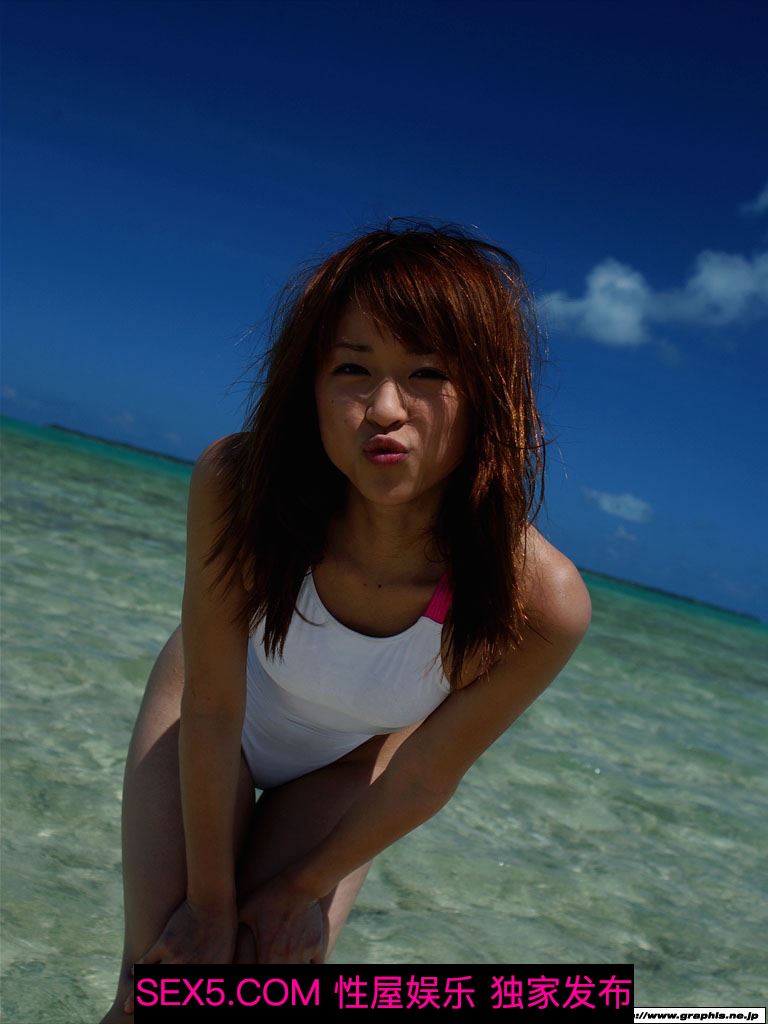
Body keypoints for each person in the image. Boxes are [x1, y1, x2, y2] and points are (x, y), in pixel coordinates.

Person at [100, 219, 592, 1022]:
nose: (384, 409)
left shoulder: (538, 600)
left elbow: (424, 777)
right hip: (208, 718)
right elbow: (216, 708)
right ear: (310, 387)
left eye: (428, 372)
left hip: (343, 770)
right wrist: (211, 909)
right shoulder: (241, 486)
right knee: (155, 992)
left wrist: (300, 889)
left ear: (489, 396)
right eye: (352, 370)